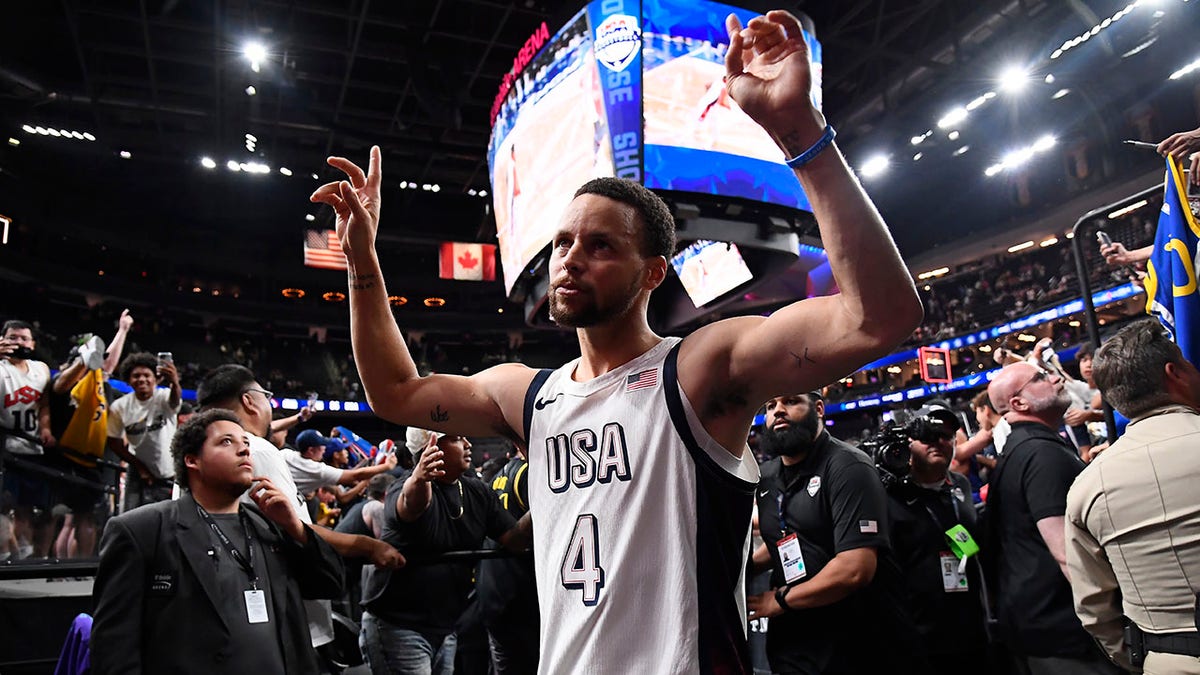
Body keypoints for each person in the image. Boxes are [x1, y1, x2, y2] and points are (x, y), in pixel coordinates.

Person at [312, 10, 922, 672]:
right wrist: (362, 264)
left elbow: (878, 316)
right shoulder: (530, 393)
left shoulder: (699, 369)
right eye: (565, 241)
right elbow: (396, 393)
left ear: (652, 271)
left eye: (601, 245)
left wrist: (798, 131)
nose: (571, 258)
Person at [90, 409, 345, 675]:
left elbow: (331, 584)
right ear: (192, 460)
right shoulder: (141, 530)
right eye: (226, 442)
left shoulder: (271, 523)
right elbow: (113, 647)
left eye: (245, 443)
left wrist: (295, 527)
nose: (244, 450)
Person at [196, 364, 404, 660]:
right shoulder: (256, 449)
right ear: (249, 400)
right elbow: (296, 529)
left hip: (232, 616)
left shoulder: (198, 456)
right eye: (266, 396)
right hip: (281, 618)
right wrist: (367, 546)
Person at [748, 392, 921, 674]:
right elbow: (788, 536)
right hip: (795, 642)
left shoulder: (849, 466)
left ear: (818, 409)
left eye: (791, 401)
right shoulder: (767, 475)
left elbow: (855, 568)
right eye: (770, 405)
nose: (778, 410)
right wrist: (748, 568)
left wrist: (778, 600)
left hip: (853, 640)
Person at [1066, 319, 1200, 674]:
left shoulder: (1086, 486)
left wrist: (1150, 660)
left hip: (1166, 661)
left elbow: (1095, 610)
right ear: (1176, 372)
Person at [360, 428, 531, 675]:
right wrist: (420, 478)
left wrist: (543, 501)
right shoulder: (405, 487)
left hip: (446, 625)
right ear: (431, 450)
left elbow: (515, 540)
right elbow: (412, 503)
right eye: (456, 438)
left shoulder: (476, 491)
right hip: (399, 625)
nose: (468, 443)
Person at [985, 363, 1121, 674]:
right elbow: (1066, 553)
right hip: (1067, 636)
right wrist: (1111, 626)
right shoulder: (1042, 454)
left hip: (1038, 626)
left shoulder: (1020, 450)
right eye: (1041, 377)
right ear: (1019, 403)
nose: (1056, 378)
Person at [882, 405, 988, 674]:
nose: (939, 442)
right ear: (908, 442)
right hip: (918, 640)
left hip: (970, 631)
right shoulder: (888, 495)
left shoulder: (960, 487)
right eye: (928, 435)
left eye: (946, 435)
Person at [1, 319, 56, 557]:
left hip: (34, 449)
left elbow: (44, 403)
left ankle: (23, 555)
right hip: (5, 448)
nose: (18, 342)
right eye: (13, 337)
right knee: (3, 507)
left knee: (27, 508)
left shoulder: (41, 369)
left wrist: (45, 427)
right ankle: (7, 557)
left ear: (32, 344)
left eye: (24, 338)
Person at [107, 352, 181, 509]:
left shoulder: (163, 397)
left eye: (147, 375)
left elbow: (174, 402)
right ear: (128, 380)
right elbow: (113, 441)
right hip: (138, 472)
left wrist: (174, 381)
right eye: (136, 376)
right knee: (130, 518)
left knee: (165, 521)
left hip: (169, 472)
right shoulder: (120, 407)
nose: (141, 379)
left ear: (156, 378)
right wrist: (139, 466)